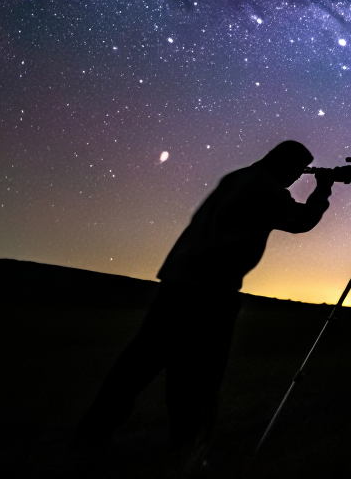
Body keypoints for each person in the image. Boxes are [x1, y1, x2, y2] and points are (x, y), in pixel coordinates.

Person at [72, 140, 333, 469]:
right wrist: (323, 190)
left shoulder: (237, 177)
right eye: (297, 171)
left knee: (136, 366)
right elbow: (301, 221)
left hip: (177, 283)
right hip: (211, 293)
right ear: (287, 166)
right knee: (199, 378)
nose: (296, 178)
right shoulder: (267, 189)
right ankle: (190, 453)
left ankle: (90, 439)